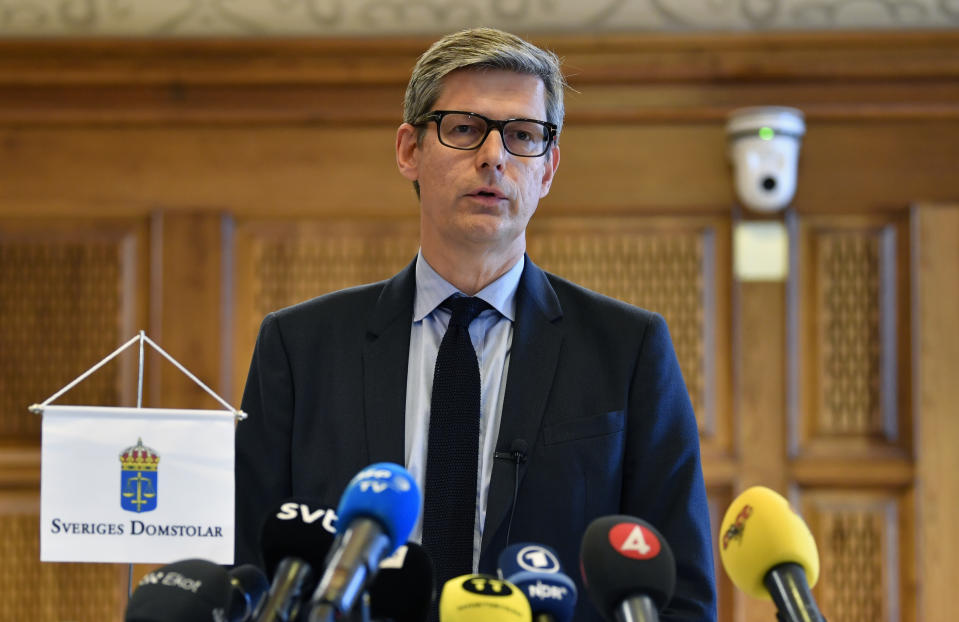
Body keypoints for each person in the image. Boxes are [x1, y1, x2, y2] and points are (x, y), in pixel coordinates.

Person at [235, 27, 716, 621]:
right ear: (410, 150)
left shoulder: (629, 349)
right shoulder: (298, 347)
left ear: (548, 168)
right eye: (464, 129)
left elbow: (681, 597)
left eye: (522, 136)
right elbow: (250, 570)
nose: (494, 156)